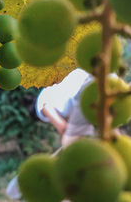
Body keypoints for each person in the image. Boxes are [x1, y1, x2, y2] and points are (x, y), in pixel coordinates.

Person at [6, 68, 95, 200]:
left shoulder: (40, 104)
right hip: (99, 78)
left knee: (72, 146)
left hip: (88, 88)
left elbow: (62, 126)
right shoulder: (59, 92)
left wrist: (67, 137)